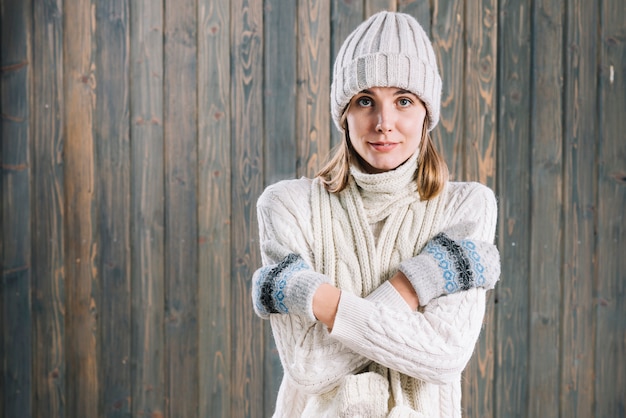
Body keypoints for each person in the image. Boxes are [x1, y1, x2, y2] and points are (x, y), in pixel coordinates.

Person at [251, 10, 500, 418]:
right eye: (365, 101)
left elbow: (445, 356)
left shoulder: (466, 207)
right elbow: (308, 369)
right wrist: (418, 282)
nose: (384, 122)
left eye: (403, 100)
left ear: (426, 112)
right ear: (344, 114)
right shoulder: (287, 206)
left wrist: (323, 299)